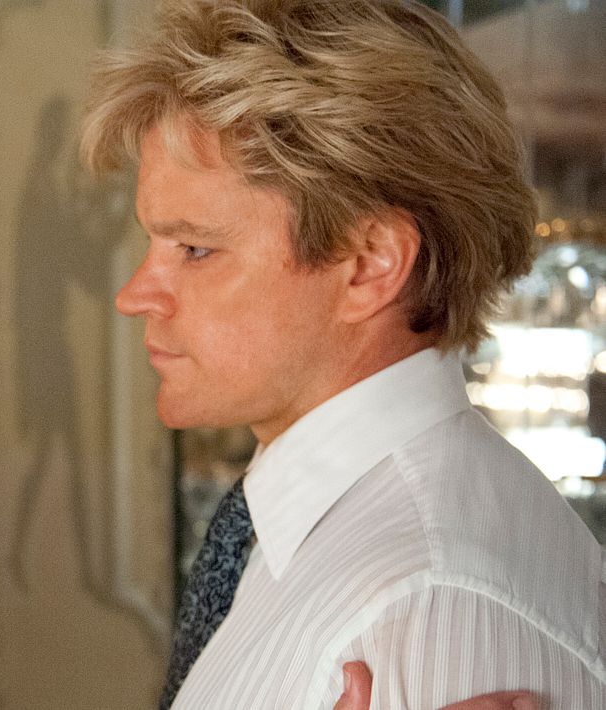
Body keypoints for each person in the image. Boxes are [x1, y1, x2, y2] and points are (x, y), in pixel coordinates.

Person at [81, 0, 605, 707]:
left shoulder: (422, 606)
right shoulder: (320, 536)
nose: (135, 295)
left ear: (369, 263)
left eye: (196, 248)